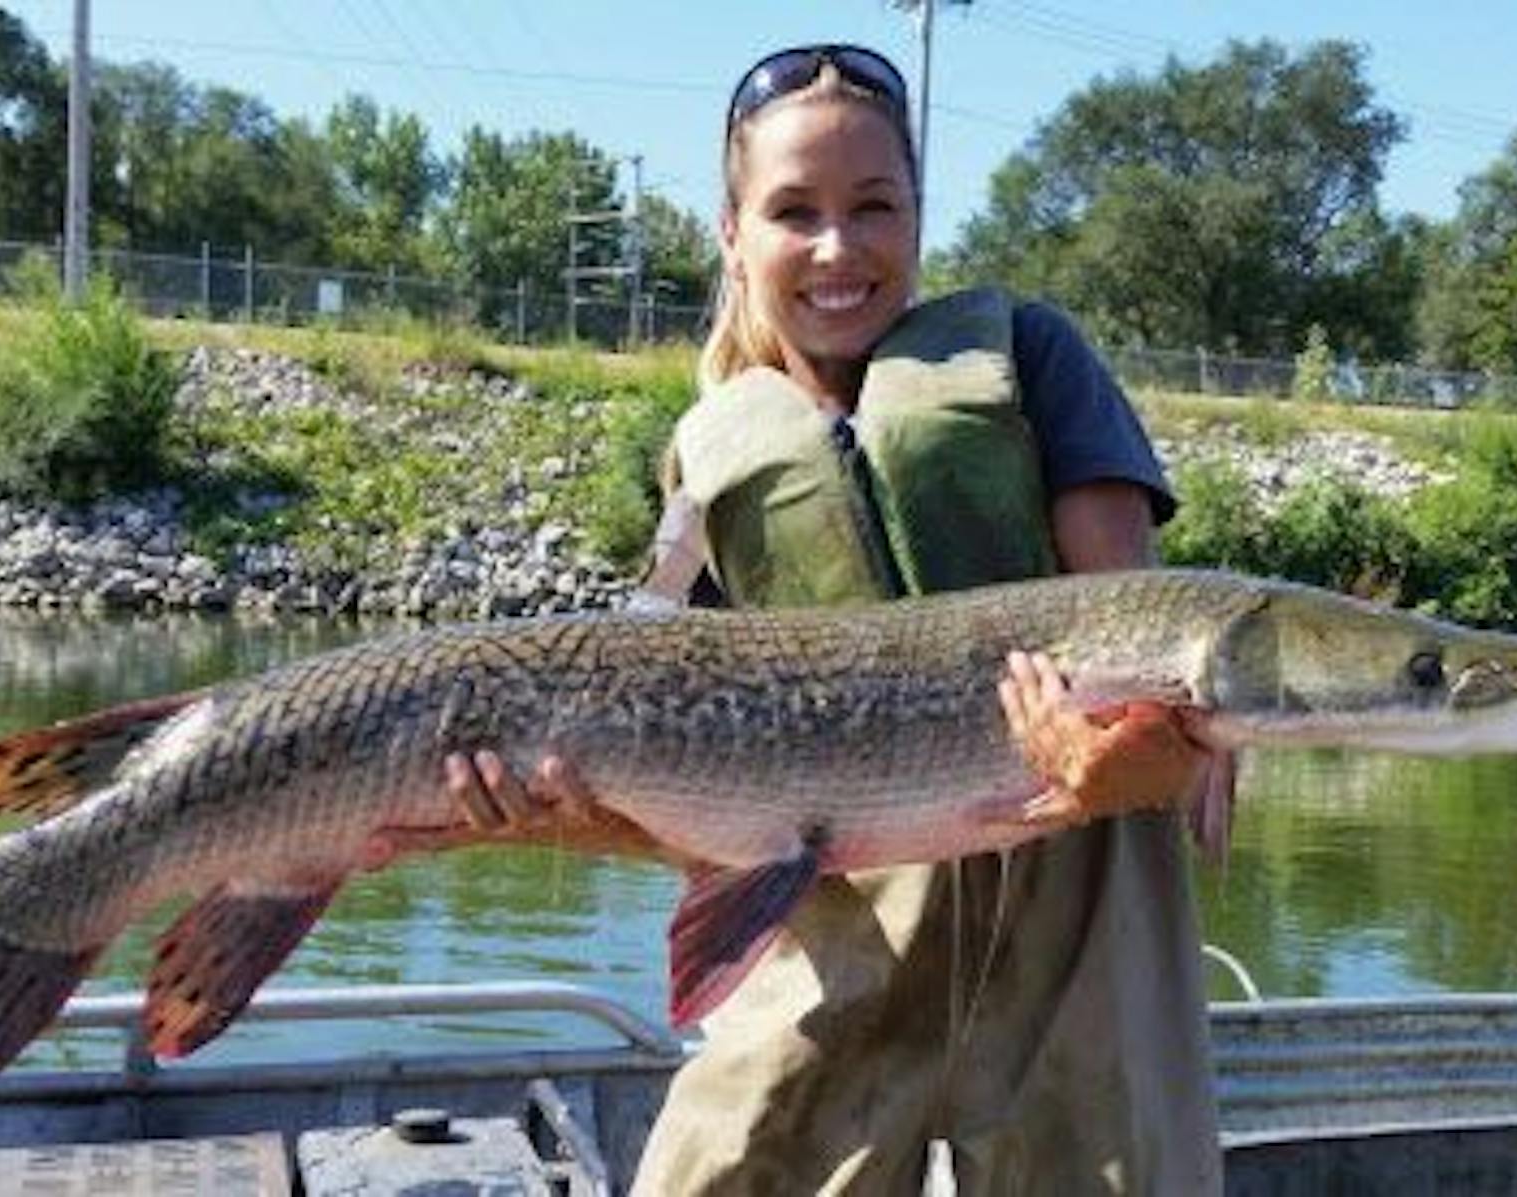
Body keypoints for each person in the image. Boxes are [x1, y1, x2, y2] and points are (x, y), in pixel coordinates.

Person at [443, 44, 1222, 1195]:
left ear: (918, 213)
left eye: (874, 207)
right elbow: (680, 798)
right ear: (733, 235)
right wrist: (541, 812)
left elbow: (1157, 656)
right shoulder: (711, 462)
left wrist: (1130, 762)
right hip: (835, 926)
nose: (838, 249)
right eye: (794, 211)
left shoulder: (1032, 359)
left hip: (1081, 928)